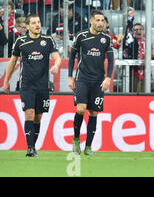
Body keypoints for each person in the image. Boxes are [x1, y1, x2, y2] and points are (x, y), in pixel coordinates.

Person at [3, 14, 61, 157]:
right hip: (27, 84)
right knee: (29, 113)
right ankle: (29, 148)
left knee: (38, 117)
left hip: (43, 85)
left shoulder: (48, 40)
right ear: (27, 26)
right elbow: (12, 62)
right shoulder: (20, 41)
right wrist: (6, 81)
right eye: (34, 23)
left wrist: (56, 66)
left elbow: (57, 57)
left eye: (39, 22)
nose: (37, 25)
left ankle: (33, 146)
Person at [68, 10, 115, 156]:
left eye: (102, 21)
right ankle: (76, 140)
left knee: (94, 112)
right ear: (91, 21)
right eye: (98, 20)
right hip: (82, 78)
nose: (101, 23)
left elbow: (111, 59)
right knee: (81, 109)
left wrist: (108, 78)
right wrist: (70, 76)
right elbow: (72, 57)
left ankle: (88, 147)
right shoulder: (81, 36)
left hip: (98, 80)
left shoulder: (106, 39)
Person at [123, 22, 151, 92]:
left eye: (140, 29)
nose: (138, 31)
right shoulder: (131, 43)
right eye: (136, 30)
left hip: (145, 73)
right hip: (133, 73)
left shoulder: (148, 42)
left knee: (145, 94)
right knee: (133, 93)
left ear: (144, 31)